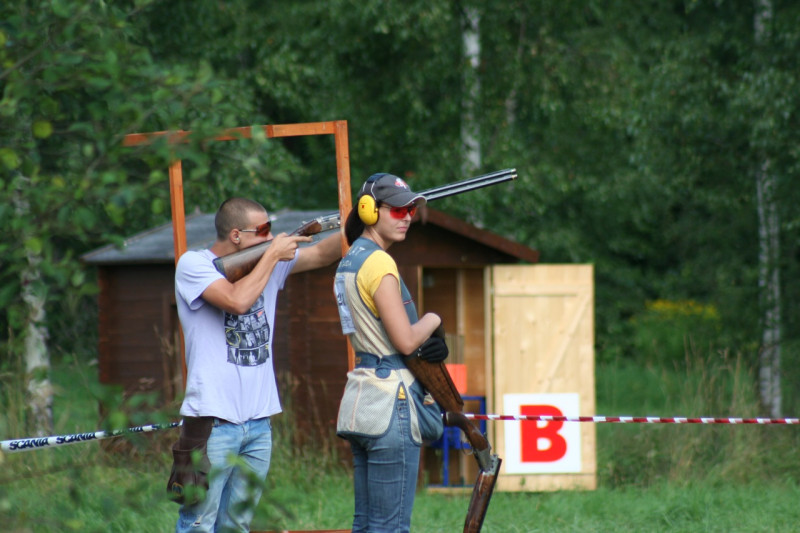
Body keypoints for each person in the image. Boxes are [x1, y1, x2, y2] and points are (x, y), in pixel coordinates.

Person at [170, 197, 342, 533]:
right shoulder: (193, 265)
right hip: (211, 422)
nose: (271, 236)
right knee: (198, 524)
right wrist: (274, 255)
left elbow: (322, 254)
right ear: (236, 235)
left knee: (238, 524)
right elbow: (236, 301)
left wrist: (361, 223)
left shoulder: (266, 262)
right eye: (262, 231)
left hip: (259, 422)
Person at [334, 173, 449, 532]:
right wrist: (434, 318)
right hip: (391, 403)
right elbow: (405, 341)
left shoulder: (349, 260)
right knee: (392, 528)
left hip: (362, 399)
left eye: (411, 209)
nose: (407, 217)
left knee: (366, 526)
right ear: (369, 211)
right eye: (397, 210)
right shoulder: (381, 264)